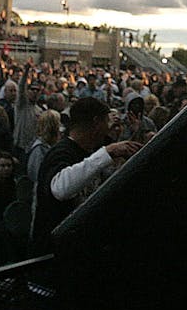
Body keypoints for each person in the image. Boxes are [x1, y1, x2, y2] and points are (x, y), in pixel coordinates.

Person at [30, 98, 140, 253]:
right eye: (106, 122)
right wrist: (106, 153)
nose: (108, 128)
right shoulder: (60, 153)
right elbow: (59, 189)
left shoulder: (91, 150)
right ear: (96, 122)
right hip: (56, 253)